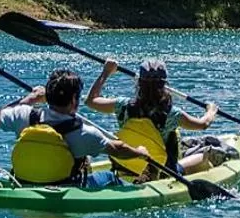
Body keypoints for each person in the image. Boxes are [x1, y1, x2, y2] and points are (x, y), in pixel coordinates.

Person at [0, 68, 150, 187]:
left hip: (23, 182)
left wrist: (31, 98)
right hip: (65, 186)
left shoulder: (23, 115)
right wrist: (140, 153)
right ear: (74, 100)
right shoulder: (84, 133)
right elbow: (118, 149)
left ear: (48, 95)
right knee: (110, 177)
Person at [86, 57, 229, 176]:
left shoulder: (122, 106)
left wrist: (106, 73)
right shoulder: (173, 114)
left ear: (139, 82)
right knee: (202, 156)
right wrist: (211, 111)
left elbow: (91, 101)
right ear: (164, 85)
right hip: (161, 171)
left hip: (126, 164)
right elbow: (202, 124)